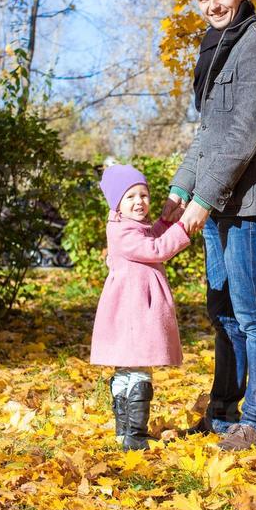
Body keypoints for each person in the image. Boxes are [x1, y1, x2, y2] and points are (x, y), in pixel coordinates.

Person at [162, 0, 256, 451]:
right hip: (215, 202)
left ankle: (255, 420)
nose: (213, 5)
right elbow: (209, 135)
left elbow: (242, 137)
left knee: (253, 313)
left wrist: (203, 199)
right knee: (224, 312)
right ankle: (223, 412)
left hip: (248, 202)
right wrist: (180, 191)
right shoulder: (217, 48)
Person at [90, 164, 190, 450]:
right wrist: (182, 229)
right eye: (130, 196)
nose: (139, 202)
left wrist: (166, 223)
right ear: (117, 204)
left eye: (143, 195)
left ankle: (125, 431)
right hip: (134, 311)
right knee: (139, 370)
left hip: (129, 308)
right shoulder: (122, 232)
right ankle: (135, 435)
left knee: (126, 370)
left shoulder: (129, 226)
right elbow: (155, 249)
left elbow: (150, 235)